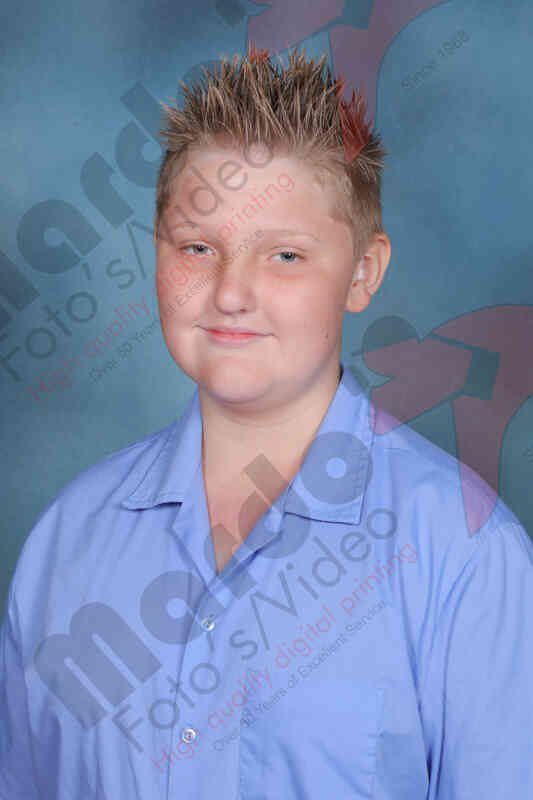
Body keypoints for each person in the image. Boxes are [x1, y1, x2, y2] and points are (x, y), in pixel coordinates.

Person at [1, 44, 533, 800]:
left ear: (363, 271)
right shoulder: (66, 539)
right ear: (157, 252)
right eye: (198, 247)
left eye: (284, 255)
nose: (229, 292)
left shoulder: (466, 556)